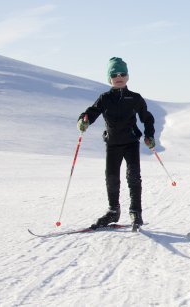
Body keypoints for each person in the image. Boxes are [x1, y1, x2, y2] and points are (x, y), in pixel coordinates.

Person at [77, 57, 156, 229]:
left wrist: (149, 135)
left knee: (133, 177)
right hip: (112, 144)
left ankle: (136, 212)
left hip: (131, 143)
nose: (118, 77)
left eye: (122, 73)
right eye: (114, 74)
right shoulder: (105, 98)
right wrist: (84, 121)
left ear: (127, 77)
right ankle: (113, 211)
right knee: (111, 178)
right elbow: (91, 112)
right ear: (109, 78)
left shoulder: (134, 98)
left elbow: (147, 118)